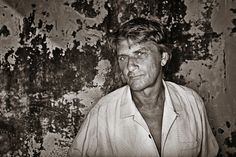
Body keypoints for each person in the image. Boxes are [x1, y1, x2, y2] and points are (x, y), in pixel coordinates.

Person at [67, 17, 219, 157]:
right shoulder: (103, 112)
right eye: (123, 57)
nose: (130, 66)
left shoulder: (191, 102)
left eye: (139, 54)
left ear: (163, 58)